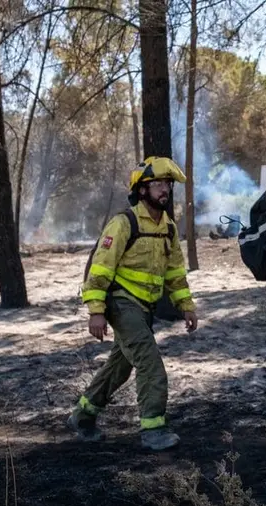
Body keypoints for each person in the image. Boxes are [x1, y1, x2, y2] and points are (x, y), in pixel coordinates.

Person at [68, 156, 199, 451]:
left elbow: (175, 273)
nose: (165, 190)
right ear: (142, 190)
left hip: (144, 308)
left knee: (120, 366)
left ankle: (83, 416)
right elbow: (100, 268)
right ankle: (153, 429)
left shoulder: (168, 228)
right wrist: (96, 312)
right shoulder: (123, 223)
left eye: (167, 184)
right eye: (158, 184)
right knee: (150, 364)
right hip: (121, 303)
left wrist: (186, 306)